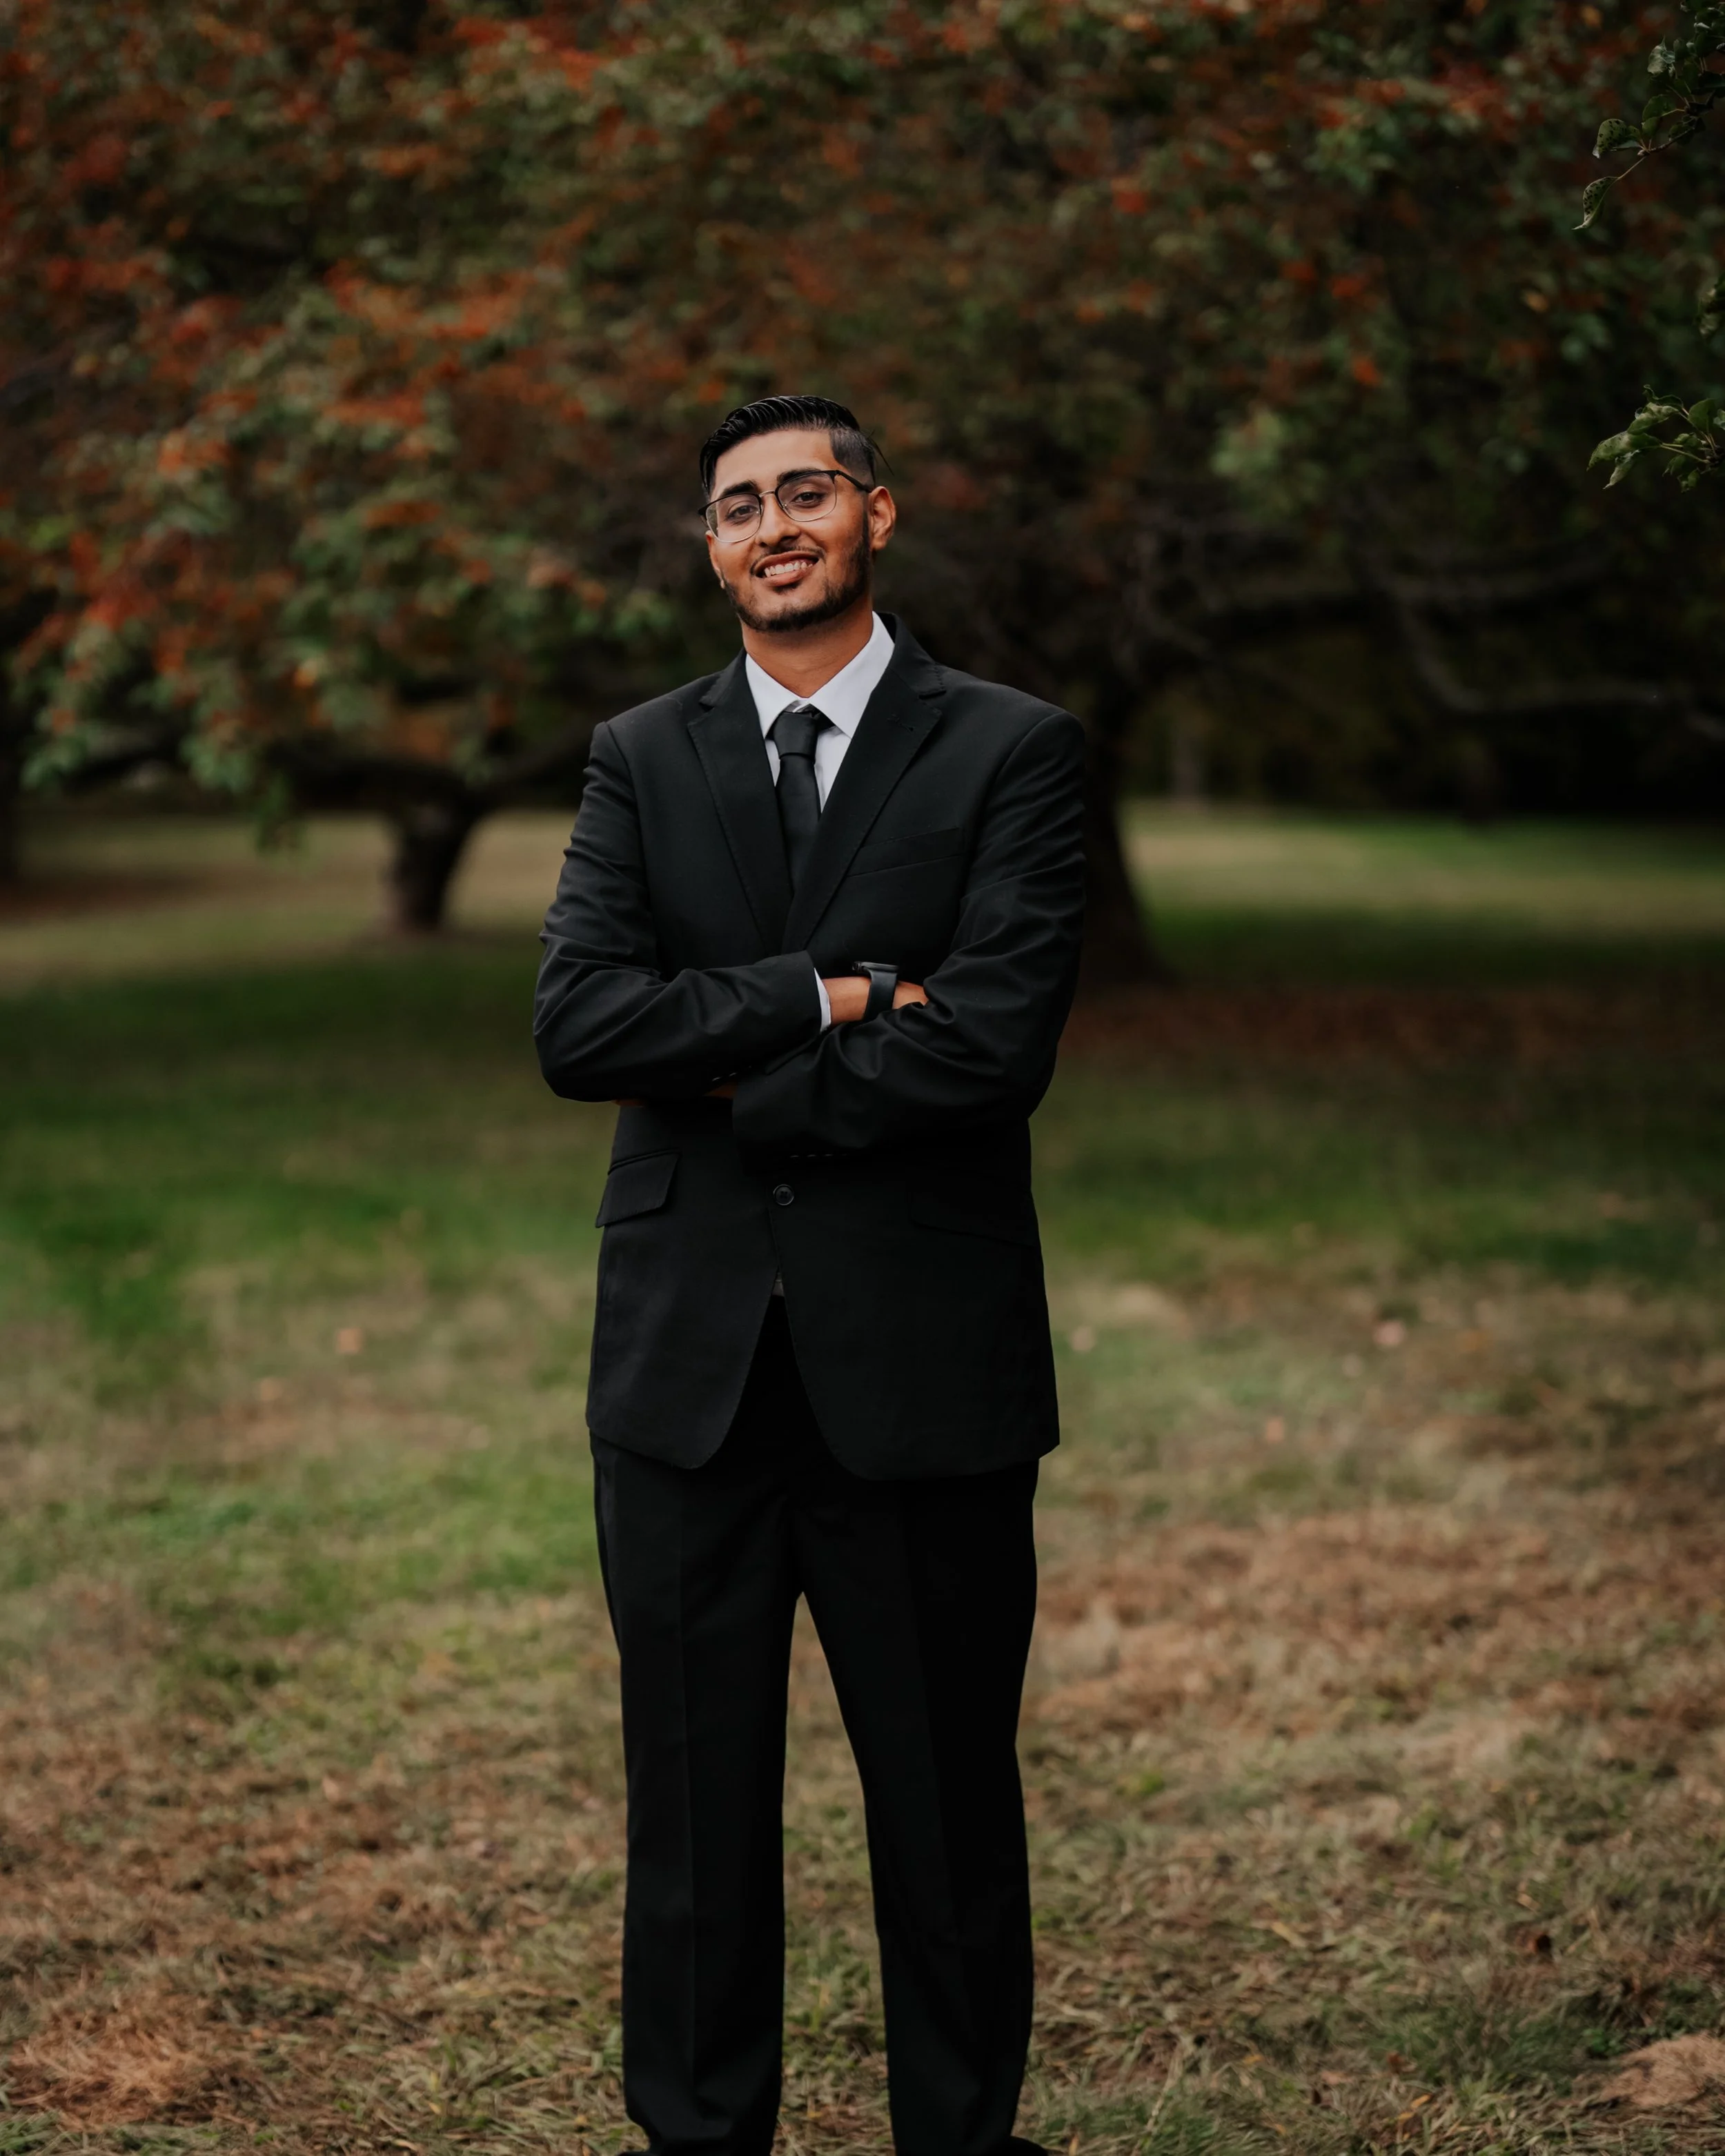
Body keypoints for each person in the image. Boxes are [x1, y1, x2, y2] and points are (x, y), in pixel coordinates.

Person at [534, 393, 1087, 2156]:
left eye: (806, 493)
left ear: (875, 516)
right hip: (687, 1378)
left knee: (943, 1813)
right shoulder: (640, 751)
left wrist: (714, 1064)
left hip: (919, 1371)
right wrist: (836, 993)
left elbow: (992, 1044)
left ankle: (960, 2138)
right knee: (690, 1825)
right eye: (735, 505)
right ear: (709, 545)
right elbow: (577, 1022)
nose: (771, 525)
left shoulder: (1010, 749)